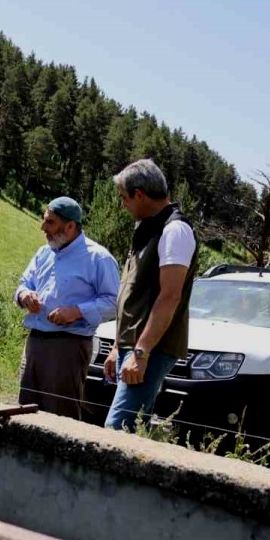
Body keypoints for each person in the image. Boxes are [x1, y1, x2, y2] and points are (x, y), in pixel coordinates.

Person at [102, 159, 199, 432]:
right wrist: (118, 347)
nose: (123, 205)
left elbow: (169, 297)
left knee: (119, 429)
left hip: (151, 348)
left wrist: (141, 353)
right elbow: (135, 292)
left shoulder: (175, 230)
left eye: (124, 198)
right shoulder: (147, 227)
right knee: (131, 428)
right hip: (134, 347)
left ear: (140, 194)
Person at [14, 197, 119, 420]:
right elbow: (24, 284)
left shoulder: (98, 258)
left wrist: (76, 311)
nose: (43, 228)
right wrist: (25, 296)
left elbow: (114, 302)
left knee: (60, 418)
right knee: (24, 413)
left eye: (50, 223)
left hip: (68, 347)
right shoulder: (44, 253)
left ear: (70, 226)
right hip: (34, 343)